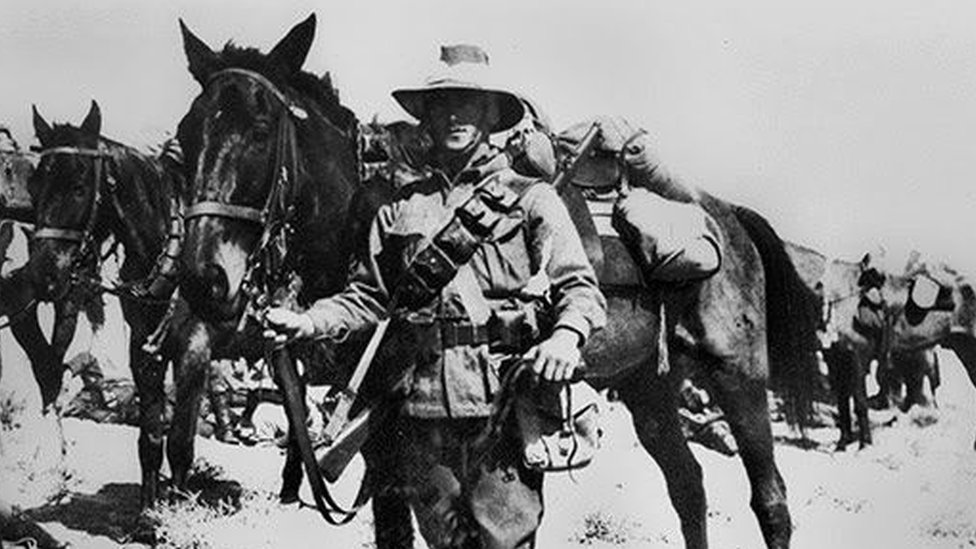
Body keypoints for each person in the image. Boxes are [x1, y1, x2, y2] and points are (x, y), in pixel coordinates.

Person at [264, 44, 606, 548]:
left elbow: (578, 288)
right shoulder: (399, 207)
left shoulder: (530, 198)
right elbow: (368, 296)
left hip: (502, 409)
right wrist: (310, 321)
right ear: (425, 115)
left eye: (468, 103)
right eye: (442, 104)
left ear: (491, 113)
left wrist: (566, 338)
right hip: (420, 413)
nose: (454, 115)